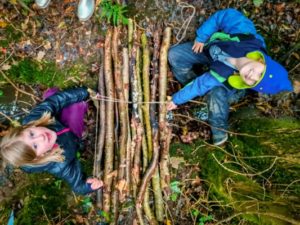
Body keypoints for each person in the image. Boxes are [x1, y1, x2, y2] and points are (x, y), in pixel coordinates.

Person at [167, 8, 293, 146]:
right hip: (211, 52)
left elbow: (201, 84)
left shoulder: (224, 77)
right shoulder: (245, 36)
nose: (252, 75)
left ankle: (219, 129)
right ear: (261, 61)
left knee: (216, 93)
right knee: (174, 55)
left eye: (254, 81)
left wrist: (176, 100)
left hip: (227, 87)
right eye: (259, 72)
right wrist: (202, 36)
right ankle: (195, 93)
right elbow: (224, 16)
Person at [0, 87, 103, 195]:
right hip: (72, 136)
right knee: (78, 106)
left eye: (32, 134)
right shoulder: (59, 164)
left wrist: (85, 92)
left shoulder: (33, 119)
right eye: (35, 146)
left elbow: (54, 102)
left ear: (28, 127)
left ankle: (55, 98)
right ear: (39, 156)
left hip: (55, 123)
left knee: (54, 96)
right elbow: (78, 186)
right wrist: (89, 186)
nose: (41, 137)